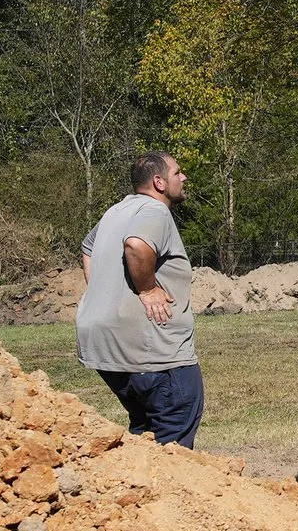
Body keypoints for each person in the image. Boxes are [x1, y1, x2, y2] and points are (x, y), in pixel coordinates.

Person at [76, 151, 203, 447]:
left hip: (108, 349)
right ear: (159, 182)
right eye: (177, 173)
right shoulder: (155, 211)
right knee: (175, 426)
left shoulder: (116, 211)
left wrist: (102, 291)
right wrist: (147, 289)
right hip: (153, 351)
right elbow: (136, 245)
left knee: (144, 431)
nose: (183, 177)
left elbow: (88, 247)